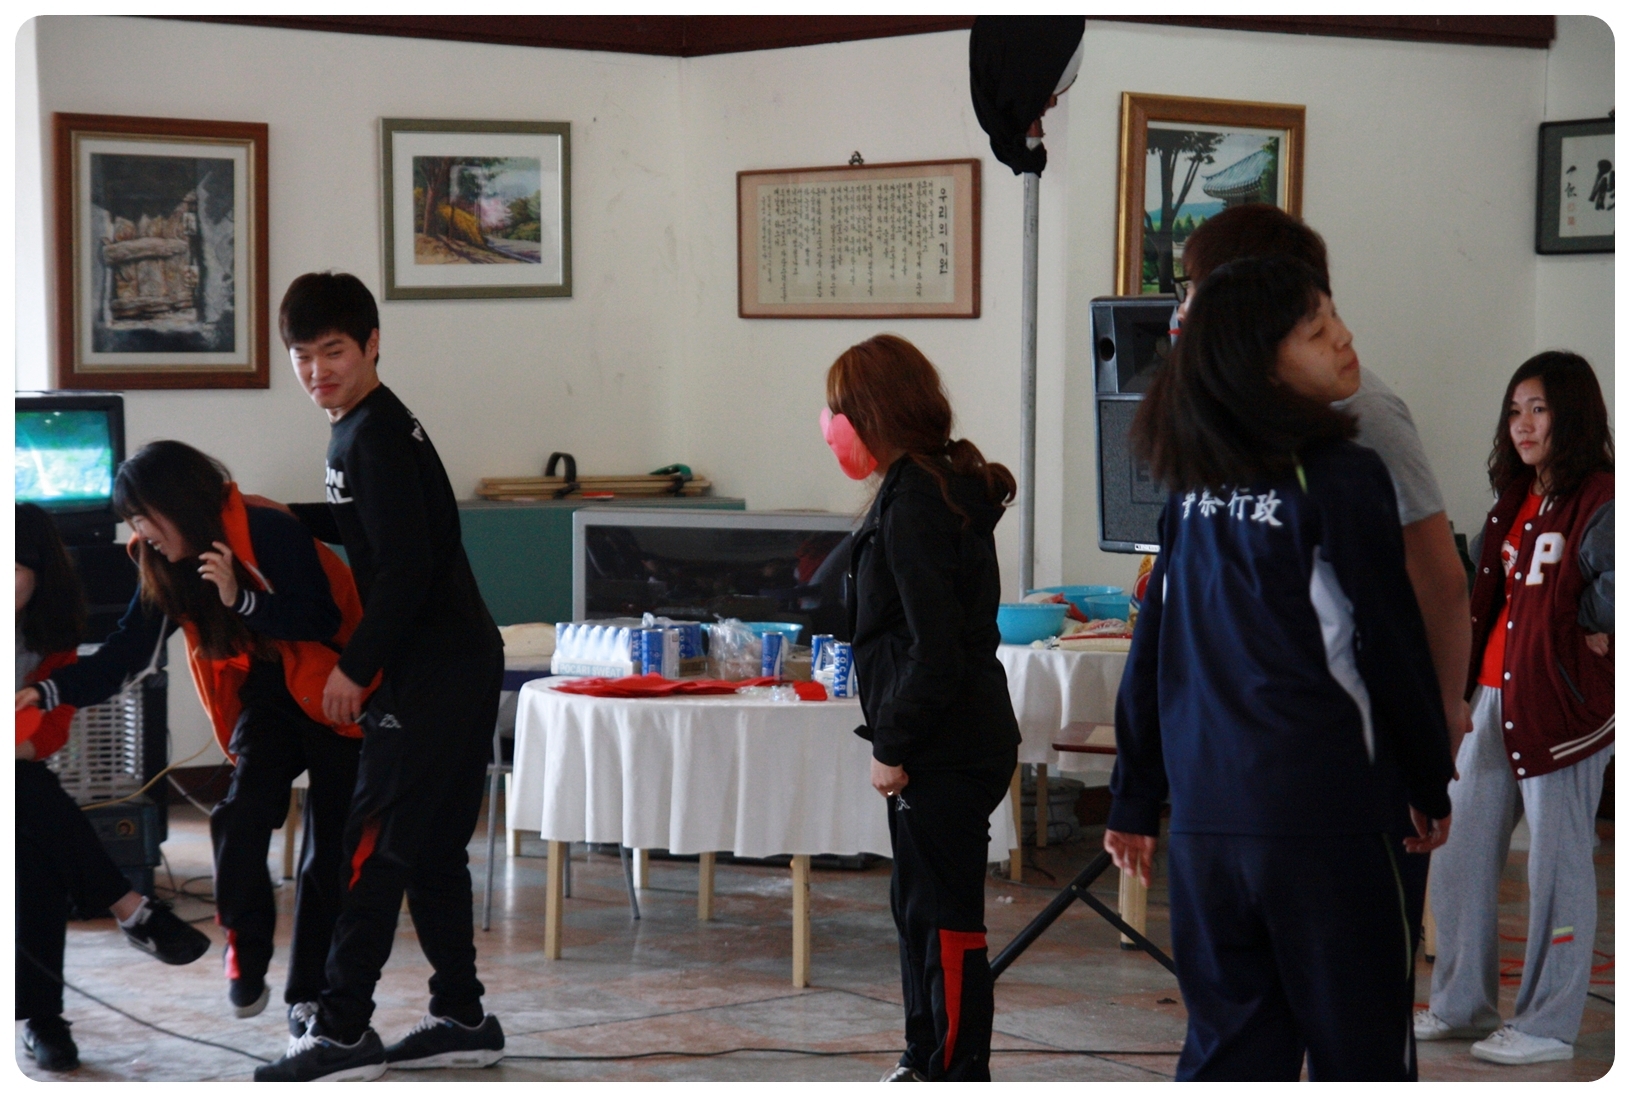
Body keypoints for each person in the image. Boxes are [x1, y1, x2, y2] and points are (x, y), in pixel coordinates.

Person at [1106, 257, 1454, 1080]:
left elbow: (1153, 650)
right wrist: (1429, 778)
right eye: (1317, 327)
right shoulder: (1340, 477)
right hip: (1327, 822)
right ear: (1260, 364)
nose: (1344, 337)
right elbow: (1388, 641)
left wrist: (1134, 796)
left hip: (1207, 830)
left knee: (1231, 1052)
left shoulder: (1190, 489)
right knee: (1360, 1055)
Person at [1174, 204, 1472, 1006]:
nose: (1185, 309)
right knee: (1247, 1026)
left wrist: (1441, 719)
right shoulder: (1210, 423)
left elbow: (1435, 579)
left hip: (1350, 766)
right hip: (1239, 780)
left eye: (1197, 288)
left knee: (1355, 1013)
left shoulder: (1363, 416)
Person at [17, 445, 367, 1036]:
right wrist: (48, 692)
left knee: (328, 850)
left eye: (144, 517)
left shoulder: (268, 528)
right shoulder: (161, 560)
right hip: (268, 692)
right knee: (240, 814)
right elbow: (129, 652)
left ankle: (306, 994)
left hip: (335, 689)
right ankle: (245, 952)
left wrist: (241, 599)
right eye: (132, 521)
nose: (141, 532)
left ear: (178, 503)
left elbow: (319, 618)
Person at [255, 272, 505, 1082]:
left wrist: (355, 668)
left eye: (333, 351)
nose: (316, 370)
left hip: (431, 668)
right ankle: (462, 1015)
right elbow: (382, 525)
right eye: (302, 355)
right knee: (431, 847)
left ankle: (340, 1030)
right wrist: (293, 519)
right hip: (460, 657)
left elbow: (405, 569)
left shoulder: (372, 435)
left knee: (370, 847)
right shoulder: (367, 427)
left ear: (371, 345)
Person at [823, 334, 1021, 1082]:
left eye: (840, 410)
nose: (832, 426)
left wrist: (893, 744)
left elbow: (936, 649)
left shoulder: (916, 502)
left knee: (945, 922)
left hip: (944, 744)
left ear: (872, 412)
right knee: (919, 910)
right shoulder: (929, 485)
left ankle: (955, 1070)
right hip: (952, 737)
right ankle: (923, 1057)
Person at [1415, 352, 1613, 1066]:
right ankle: (1460, 1004)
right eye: (1515, 410)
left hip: (1562, 708)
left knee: (1557, 868)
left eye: (1539, 409)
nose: (1523, 425)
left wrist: (1594, 620)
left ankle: (1548, 1023)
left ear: (1572, 414)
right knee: (1460, 849)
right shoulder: (1514, 497)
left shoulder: (1602, 497)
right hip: (1493, 695)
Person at [15, 503, 211, 1073]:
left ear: (40, 574)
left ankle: (42, 1014)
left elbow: (46, 735)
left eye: (14, 571)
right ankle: (128, 909)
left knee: (31, 833)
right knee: (30, 802)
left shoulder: (46, 634)